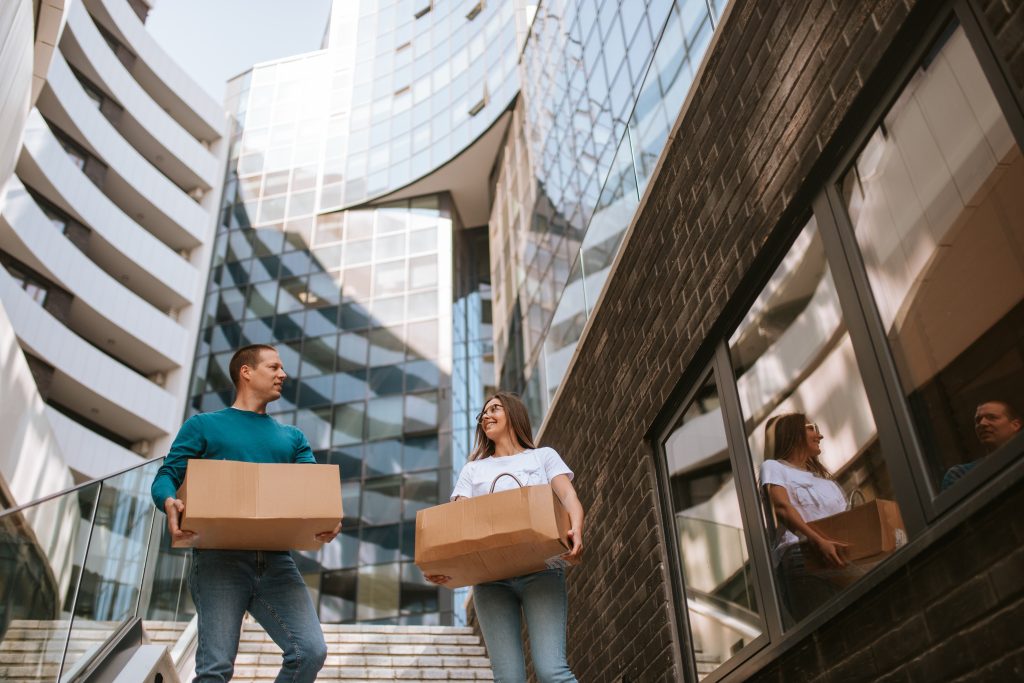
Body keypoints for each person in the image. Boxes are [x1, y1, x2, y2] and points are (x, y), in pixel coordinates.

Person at [151, 344, 340, 683]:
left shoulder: (292, 438)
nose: (283, 374)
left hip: (276, 562)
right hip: (217, 560)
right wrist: (169, 501)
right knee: (215, 668)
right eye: (274, 367)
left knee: (310, 651)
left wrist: (328, 517)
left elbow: (314, 490)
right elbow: (167, 475)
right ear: (246, 372)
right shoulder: (203, 426)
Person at [424, 392, 584, 683]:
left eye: (494, 409)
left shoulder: (542, 457)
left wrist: (576, 530)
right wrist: (442, 565)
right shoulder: (473, 470)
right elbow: (456, 524)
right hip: (491, 582)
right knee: (508, 678)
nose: (486, 416)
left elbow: (568, 496)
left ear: (513, 413)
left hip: (542, 571)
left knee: (551, 671)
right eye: (483, 414)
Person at [759, 412, 849, 622]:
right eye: (812, 428)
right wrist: (818, 540)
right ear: (793, 433)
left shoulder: (828, 484)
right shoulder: (773, 467)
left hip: (838, 559)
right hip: (803, 556)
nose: (820, 435)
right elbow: (782, 508)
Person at [941, 400, 1023, 490]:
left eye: (992, 417)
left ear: (1015, 425)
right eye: (978, 420)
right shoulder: (961, 474)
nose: (982, 423)